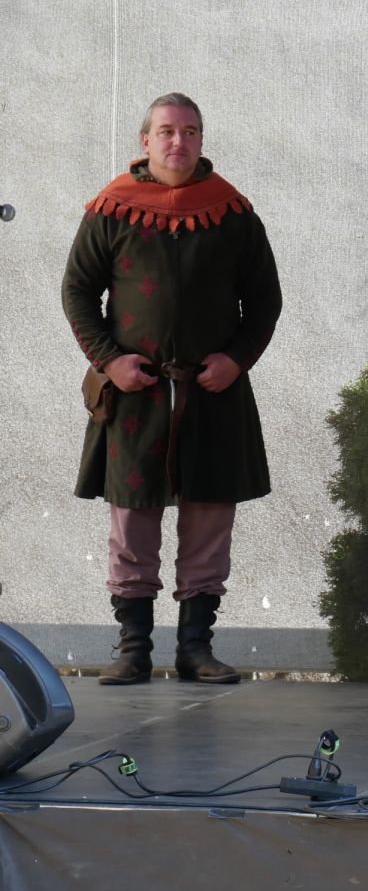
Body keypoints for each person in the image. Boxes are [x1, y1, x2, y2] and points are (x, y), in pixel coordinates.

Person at [62, 93, 282, 686]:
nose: (178, 141)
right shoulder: (111, 209)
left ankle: (195, 649)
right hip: (135, 394)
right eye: (166, 131)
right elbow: (77, 292)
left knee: (208, 521)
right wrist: (110, 362)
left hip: (213, 392)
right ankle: (133, 649)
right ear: (146, 141)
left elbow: (264, 301)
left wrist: (236, 360)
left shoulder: (232, 212)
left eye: (189, 131)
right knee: (132, 522)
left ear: (201, 139)